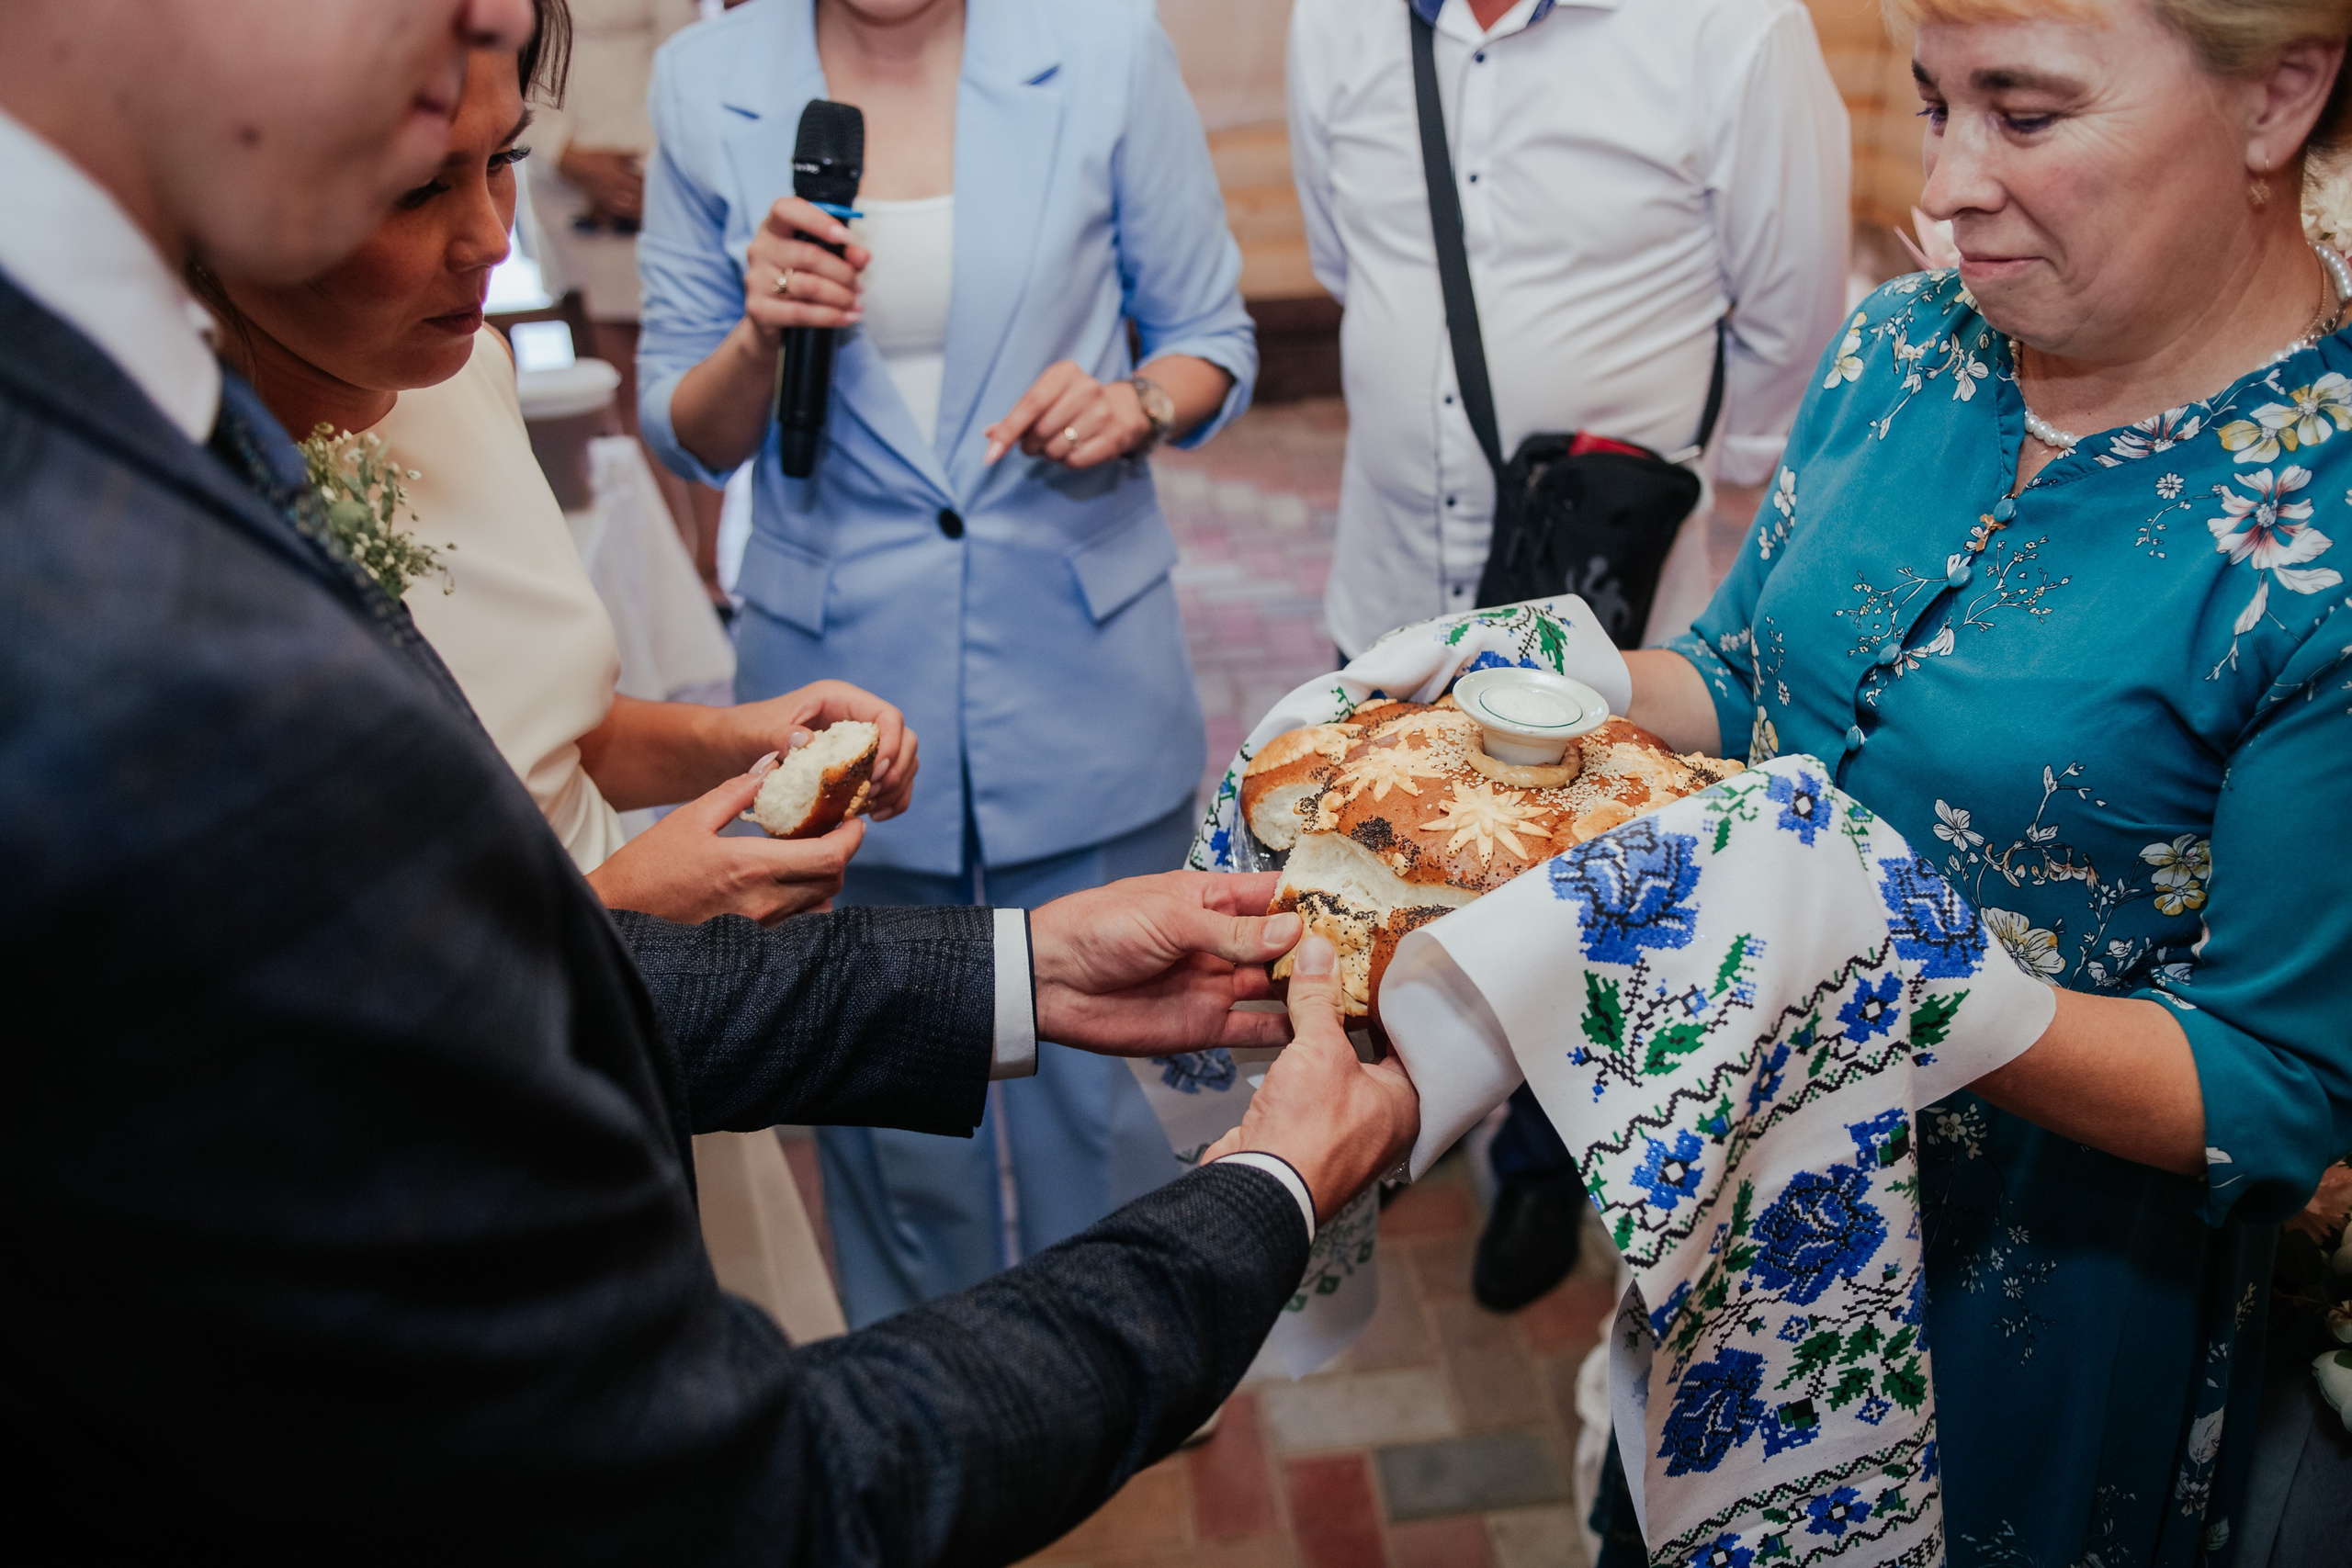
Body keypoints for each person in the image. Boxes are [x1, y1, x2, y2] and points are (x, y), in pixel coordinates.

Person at [0, 3, 1421, 1561]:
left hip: (1069, 672)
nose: (493, 19)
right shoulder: (142, 638)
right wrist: (1266, 1196)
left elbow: (527, 972)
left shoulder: (144, 408)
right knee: (902, 1209)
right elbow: (745, 1498)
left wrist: (1025, 967)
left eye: (505, 166)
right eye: (431, 190)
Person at [1605, 1, 2352, 1560]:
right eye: (1937, 106)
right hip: (1730, 1194)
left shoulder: (2324, 549)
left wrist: (1896, 982)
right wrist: (1559, 680)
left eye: (2021, 115)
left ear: (2281, 94)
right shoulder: (1901, 349)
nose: (1942, 185)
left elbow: (2280, 1095)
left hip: (2026, 1297)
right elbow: (1748, 672)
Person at [197, 10, 909, 1341]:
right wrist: (617, 910)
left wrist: (733, 736)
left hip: (650, 1043)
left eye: (502, 159)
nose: (485, 237)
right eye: (419, 188)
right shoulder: (183, 514)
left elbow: (549, 729)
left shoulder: (459, 365)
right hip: (470, 1120)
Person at [638, 0, 1261, 1327]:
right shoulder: (703, 81)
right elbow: (686, 428)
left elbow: (1213, 337)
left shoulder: (1104, 48)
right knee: (882, 1070)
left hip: (1081, 648)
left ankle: (1133, 1342)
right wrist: (758, 335)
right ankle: (934, 1379)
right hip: (836, 684)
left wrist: (1134, 403)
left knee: (1122, 1070)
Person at [1285, 0, 1850, 1311]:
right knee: (1386, 864)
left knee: (1589, 912)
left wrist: (1683, 495)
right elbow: (1345, 262)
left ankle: (1545, 1157)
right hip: (1390, 596)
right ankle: (1400, 1111)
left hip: (1611, 617)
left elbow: (1793, 335)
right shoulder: (1337, 20)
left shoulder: (1736, 30)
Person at [522, 0, 729, 604]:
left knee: (691, 372)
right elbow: (505, 59)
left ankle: (709, 567)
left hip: (652, 176)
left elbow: (686, 55)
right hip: (564, 186)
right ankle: (671, 579)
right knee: (623, 394)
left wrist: (650, 171)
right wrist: (562, 154)